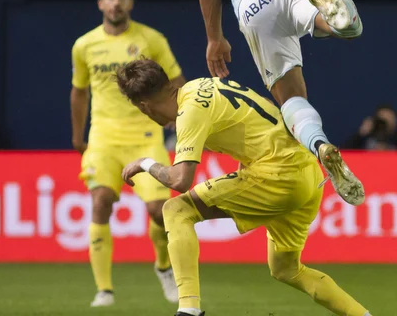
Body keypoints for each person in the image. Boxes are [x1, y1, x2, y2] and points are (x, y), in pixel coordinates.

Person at [118, 58, 372, 316]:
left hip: (277, 176)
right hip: (307, 172)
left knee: (175, 210)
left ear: (144, 107)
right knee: (286, 269)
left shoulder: (189, 112)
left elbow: (179, 180)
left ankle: (188, 310)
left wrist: (146, 163)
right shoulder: (202, 85)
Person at [196, 0, 365, 205]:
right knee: (347, 29)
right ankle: (332, 14)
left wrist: (214, 38)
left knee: (290, 97)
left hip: (250, 5)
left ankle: (320, 146)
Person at [71, 0, 185, 307]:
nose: (116, 2)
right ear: (101, 4)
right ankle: (104, 290)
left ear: (130, 3)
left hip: (145, 135)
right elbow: (79, 92)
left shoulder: (151, 39)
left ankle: (163, 266)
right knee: (100, 201)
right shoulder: (84, 45)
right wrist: (77, 135)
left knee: (158, 211)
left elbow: (177, 83)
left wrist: (183, 121)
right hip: (104, 136)